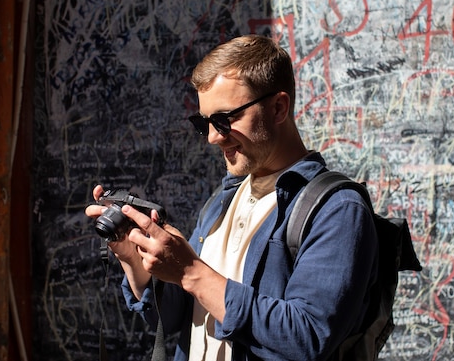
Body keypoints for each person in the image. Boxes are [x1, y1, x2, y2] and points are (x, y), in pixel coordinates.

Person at [85, 35, 379, 361]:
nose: (212, 137)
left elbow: (307, 337)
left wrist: (191, 272)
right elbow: (178, 321)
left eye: (224, 119)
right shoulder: (222, 200)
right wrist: (136, 260)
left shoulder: (336, 209)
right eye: (204, 123)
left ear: (279, 107)